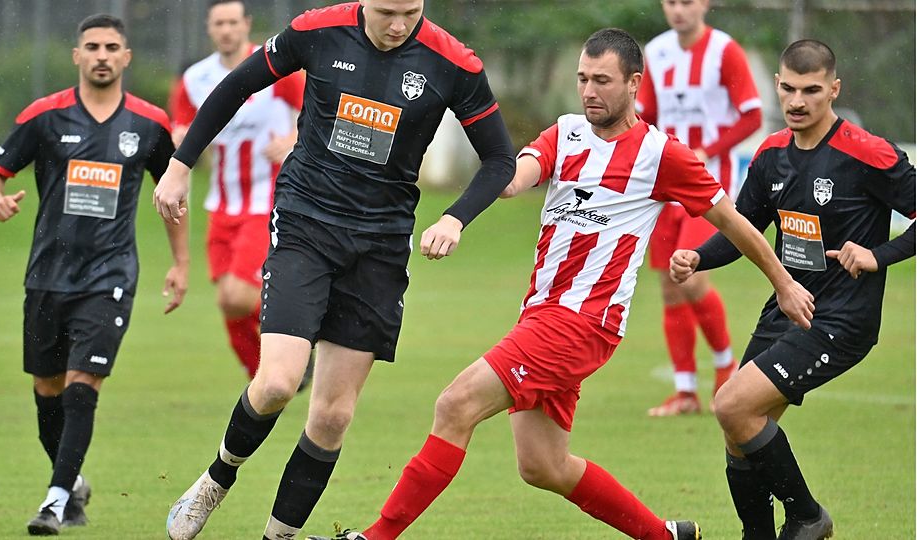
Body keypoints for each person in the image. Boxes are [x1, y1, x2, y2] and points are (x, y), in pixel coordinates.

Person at [306, 28, 814, 540]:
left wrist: (784, 283)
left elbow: (735, 222)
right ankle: (665, 536)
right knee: (543, 465)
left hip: (583, 322)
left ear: (634, 84)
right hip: (543, 315)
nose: (589, 91)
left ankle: (374, 538)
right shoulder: (566, 132)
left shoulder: (661, 155)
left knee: (455, 404)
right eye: (582, 79)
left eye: (602, 81)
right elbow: (513, 179)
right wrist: (466, 189)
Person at [154, 1, 516, 538]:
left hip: (380, 246)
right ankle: (216, 479)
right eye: (388, 12)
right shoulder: (316, 30)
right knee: (276, 382)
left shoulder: (453, 62)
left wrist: (455, 218)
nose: (399, 26)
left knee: (332, 417)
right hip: (306, 222)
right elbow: (237, 85)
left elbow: (500, 159)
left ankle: (278, 536)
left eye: (411, 13)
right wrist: (180, 166)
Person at [671, 39, 915, 540]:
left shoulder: (867, 152)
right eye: (788, 88)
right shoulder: (771, 153)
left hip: (841, 319)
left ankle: (808, 516)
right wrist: (699, 256)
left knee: (732, 405)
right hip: (787, 310)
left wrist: (879, 254)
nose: (797, 101)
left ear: (834, 89)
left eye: (811, 90)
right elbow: (745, 229)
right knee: (740, 432)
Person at [0, 14, 188, 536]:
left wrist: (181, 264)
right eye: (91, 46)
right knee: (47, 390)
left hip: (110, 275)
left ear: (126, 57)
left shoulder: (149, 123)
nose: (101, 54)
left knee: (81, 384)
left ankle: (53, 502)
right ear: (76, 55)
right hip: (47, 275)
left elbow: (173, 197)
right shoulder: (45, 115)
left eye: (111, 46)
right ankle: (70, 482)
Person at [637, 0, 763, 416]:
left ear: (705, 4)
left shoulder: (725, 51)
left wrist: (708, 149)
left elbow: (751, 116)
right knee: (671, 288)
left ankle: (727, 366)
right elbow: (646, 115)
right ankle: (686, 391)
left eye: (687, 1)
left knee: (691, 277)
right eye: (670, 2)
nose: (678, 10)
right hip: (663, 184)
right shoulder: (654, 53)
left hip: (710, 187)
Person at [170, 0, 307, 380]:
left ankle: (297, 335)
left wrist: (294, 138)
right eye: (219, 23)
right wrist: (178, 139)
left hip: (268, 200)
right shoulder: (195, 79)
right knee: (230, 305)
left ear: (247, 24)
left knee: (235, 295)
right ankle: (265, 374)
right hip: (221, 204)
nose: (227, 29)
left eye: (233, 21)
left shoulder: (276, 70)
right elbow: (180, 129)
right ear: (209, 29)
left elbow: (319, 111)